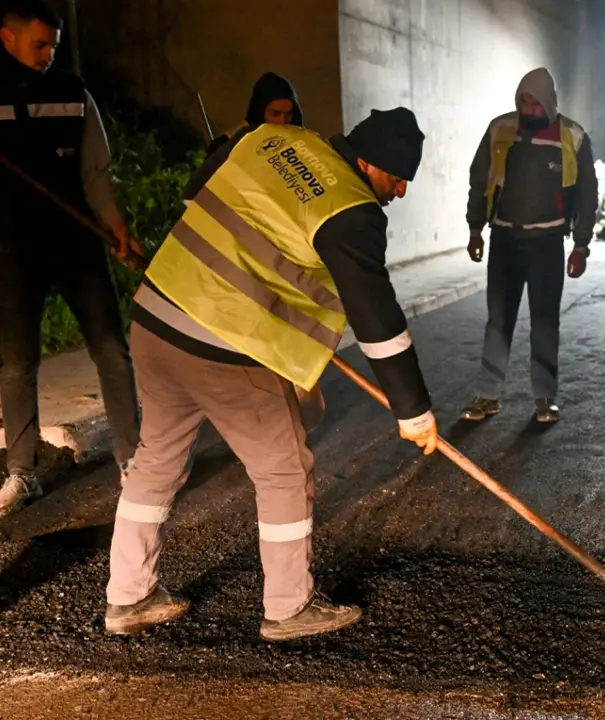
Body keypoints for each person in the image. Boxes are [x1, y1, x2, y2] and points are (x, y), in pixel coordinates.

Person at [104, 107, 439, 642]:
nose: (398, 192)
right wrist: (413, 410)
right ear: (370, 163)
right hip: (224, 344)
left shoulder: (270, 140)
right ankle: (289, 607)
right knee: (284, 470)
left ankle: (129, 595)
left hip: (157, 317)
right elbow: (375, 314)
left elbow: (196, 193)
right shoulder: (351, 209)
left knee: (156, 459)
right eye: (398, 178)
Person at [0, 0, 143, 518]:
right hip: (14, 250)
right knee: (17, 363)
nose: (47, 55)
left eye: (53, 47)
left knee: (110, 346)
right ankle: (22, 471)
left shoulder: (72, 92)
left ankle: (133, 458)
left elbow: (95, 172)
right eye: (39, 45)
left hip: (77, 243)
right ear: (6, 39)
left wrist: (115, 225)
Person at [460, 67, 597, 424]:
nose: (528, 108)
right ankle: (487, 395)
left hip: (547, 244)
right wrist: (475, 229)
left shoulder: (573, 137)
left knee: (545, 322)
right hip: (504, 240)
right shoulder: (500, 130)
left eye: (535, 102)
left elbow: (587, 196)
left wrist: (581, 245)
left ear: (549, 102)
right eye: (523, 100)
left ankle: (544, 397)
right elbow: (479, 181)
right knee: (498, 322)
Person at [206, 72, 302, 156]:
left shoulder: (300, 145)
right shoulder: (228, 144)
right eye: (275, 113)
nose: (283, 121)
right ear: (260, 110)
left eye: (289, 114)